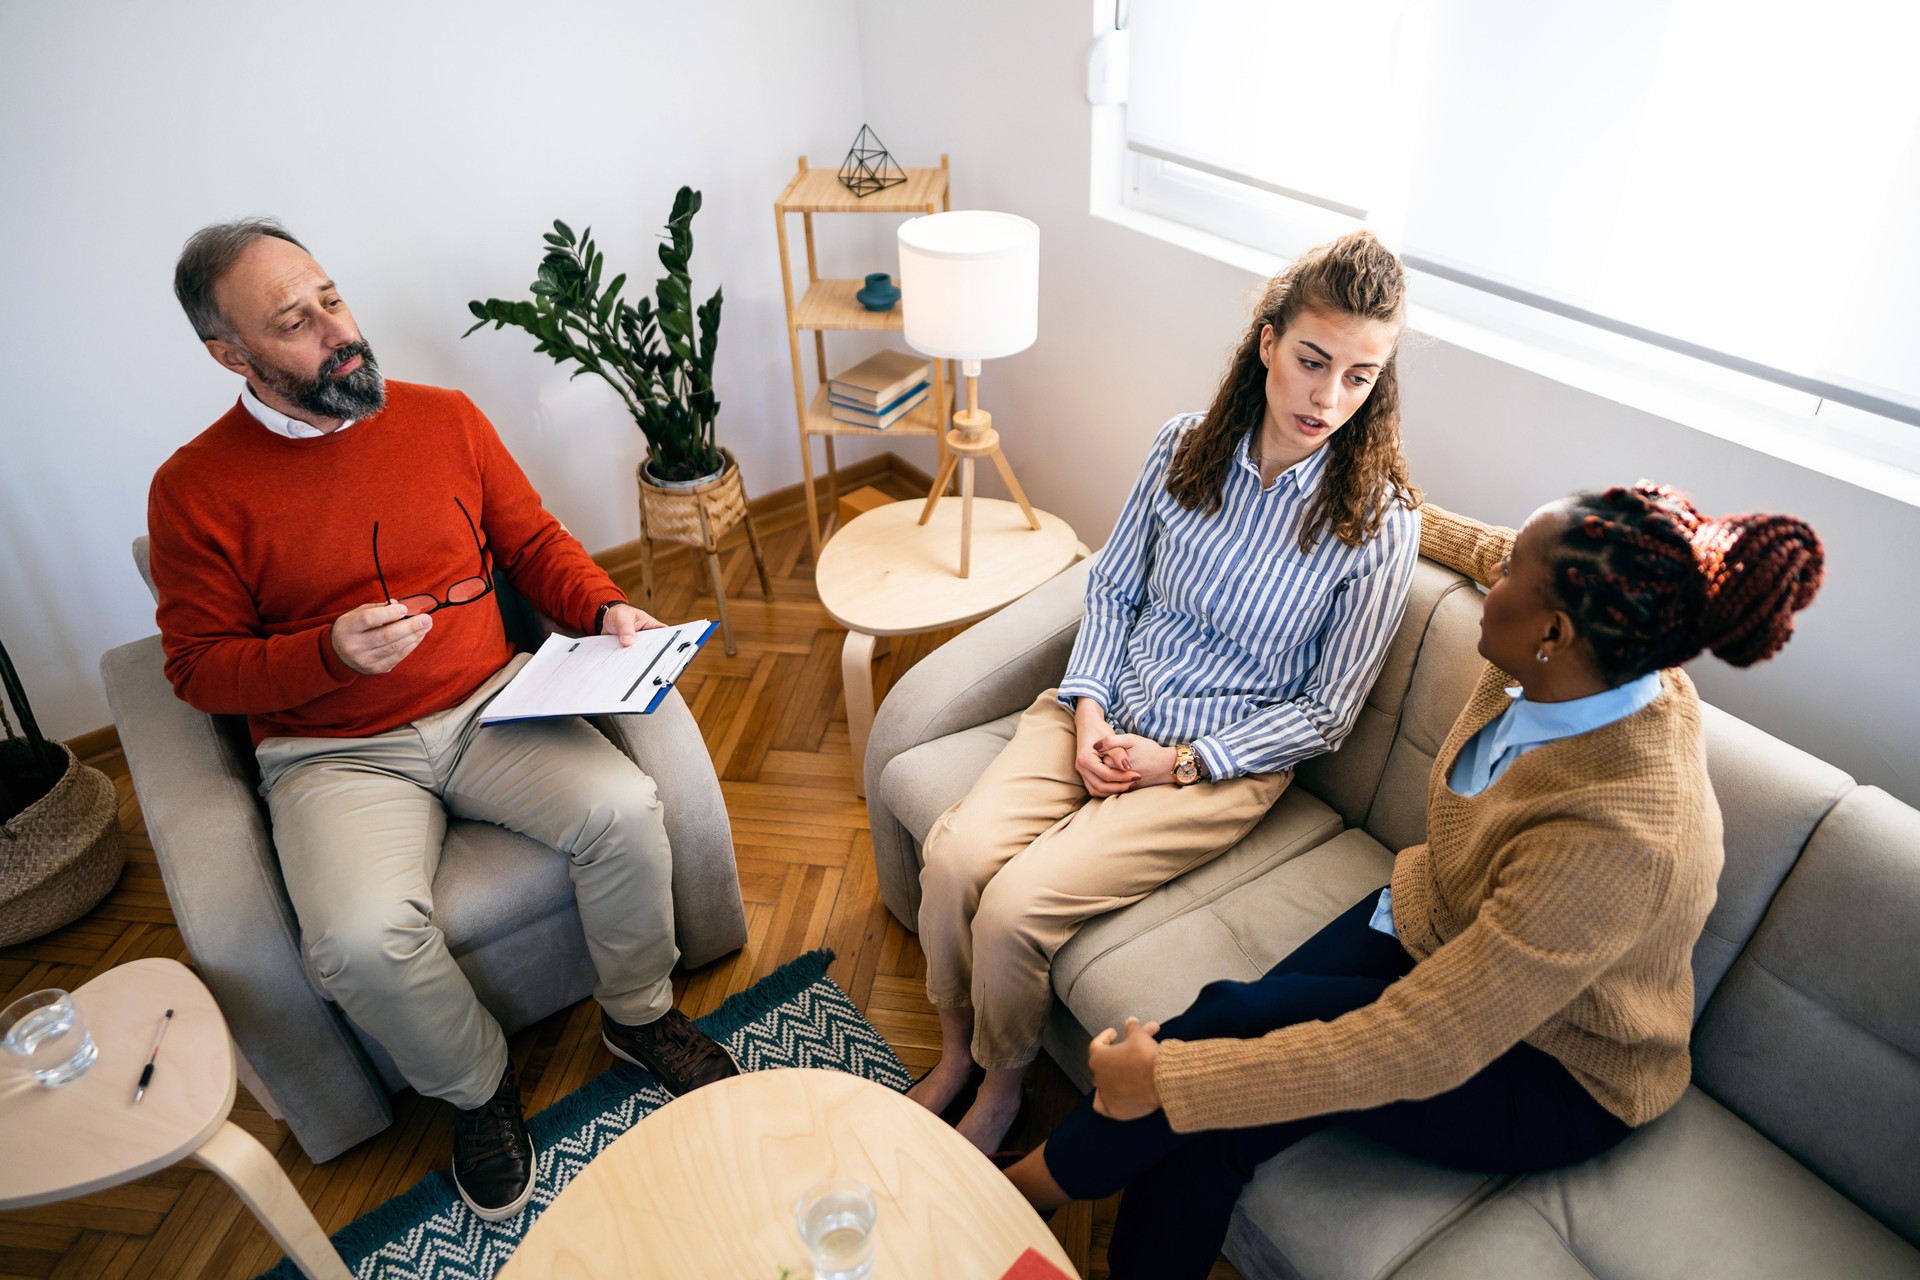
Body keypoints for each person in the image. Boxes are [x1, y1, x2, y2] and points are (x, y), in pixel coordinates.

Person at [998, 485, 1825, 1278]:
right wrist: (1388, 510)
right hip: (1443, 917)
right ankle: (1020, 1199)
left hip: (1551, 1062)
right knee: (1228, 1019)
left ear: (1552, 632)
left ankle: (1016, 1197)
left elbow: (1427, 1043)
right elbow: (1484, 544)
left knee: (1212, 1103)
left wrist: (1166, 1079)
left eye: (1507, 577)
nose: (1490, 573)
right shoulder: (1598, 649)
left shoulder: (1619, 837)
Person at [150, 219, 738, 1221]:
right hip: (334, 755)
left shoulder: (444, 419)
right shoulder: (193, 491)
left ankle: (637, 1016)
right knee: (359, 937)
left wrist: (604, 609)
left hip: (488, 707)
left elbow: (536, 541)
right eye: (296, 322)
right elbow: (196, 670)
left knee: (626, 808)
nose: (338, 331)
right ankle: (477, 1085)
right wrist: (326, 651)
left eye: (332, 297)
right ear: (230, 355)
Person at [909, 231, 1424, 1153]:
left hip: (1214, 770)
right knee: (953, 859)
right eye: (1312, 361)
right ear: (1268, 342)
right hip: (1101, 706)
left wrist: (1180, 763)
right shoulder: (1183, 446)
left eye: (1358, 377)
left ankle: (1001, 1087)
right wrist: (1091, 713)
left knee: (1017, 906)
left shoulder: (1379, 527)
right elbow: (1111, 590)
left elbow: (1326, 711)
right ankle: (953, 1054)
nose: (1326, 397)